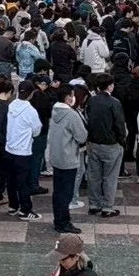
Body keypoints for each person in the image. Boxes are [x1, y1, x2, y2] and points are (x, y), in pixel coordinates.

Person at [47, 83, 88, 232]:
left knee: (58, 191)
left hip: (56, 156)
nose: (73, 97)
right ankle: (63, 223)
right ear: (67, 97)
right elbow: (82, 136)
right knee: (66, 192)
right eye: (72, 95)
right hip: (69, 157)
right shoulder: (71, 115)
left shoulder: (55, 111)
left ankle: (58, 219)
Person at [84, 74, 127, 217]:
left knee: (94, 176)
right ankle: (107, 207)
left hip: (93, 143)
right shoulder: (114, 102)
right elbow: (119, 125)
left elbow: (87, 119)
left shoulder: (91, 101)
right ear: (110, 86)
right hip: (111, 144)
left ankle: (94, 204)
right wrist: (122, 141)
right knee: (110, 177)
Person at [6, 80, 44, 220]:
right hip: (23, 150)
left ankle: (13, 206)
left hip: (9, 147)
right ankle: (25, 210)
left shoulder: (11, 105)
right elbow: (37, 130)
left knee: (11, 179)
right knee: (24, 182)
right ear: (31, 94)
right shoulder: (30, 111)